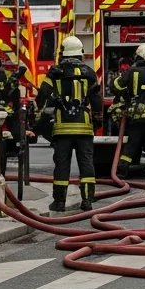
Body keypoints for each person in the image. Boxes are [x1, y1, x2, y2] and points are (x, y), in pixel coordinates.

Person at [36, 35, 103, 213]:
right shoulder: (89, 72)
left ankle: (59, 203)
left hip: (62, 128)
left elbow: (41, 96)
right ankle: (87, 201)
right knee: (86, 164)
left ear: (63, 53)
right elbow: (96, 100)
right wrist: (97, 119)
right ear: (80, 53)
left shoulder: (55, 72)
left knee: (62, 166)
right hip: (84, 127)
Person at [112, 42, 145, 182]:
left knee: (132, 144)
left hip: (137, 114)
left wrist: (123, 87)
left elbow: (116, 86)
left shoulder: (132, 71)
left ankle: (121, 173)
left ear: (138, 56)